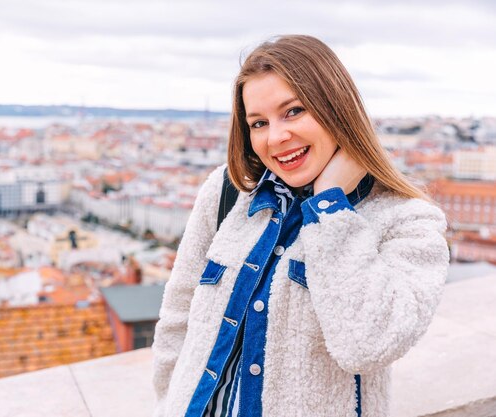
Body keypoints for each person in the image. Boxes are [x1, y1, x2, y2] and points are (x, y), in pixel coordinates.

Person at [151, 34, 449, 417]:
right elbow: (178, 317)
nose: (275, 137)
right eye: (258, 123)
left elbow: (367, 344)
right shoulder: (227, 193)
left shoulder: (407, 220)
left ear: (336, 108)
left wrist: (330, 207)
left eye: (293, 111)